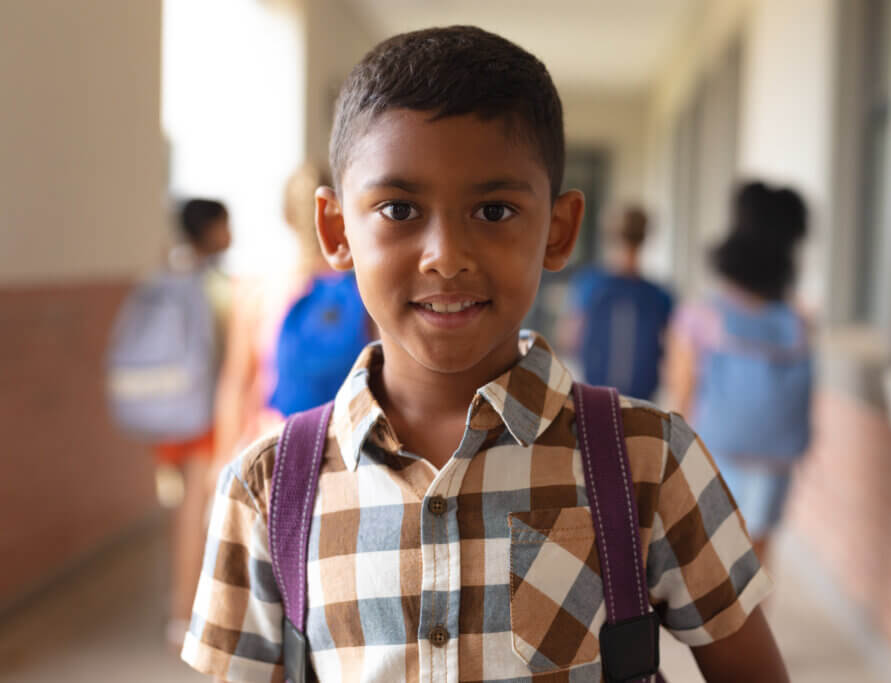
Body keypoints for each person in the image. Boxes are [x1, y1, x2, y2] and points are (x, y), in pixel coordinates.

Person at [182, 26, 787, 682]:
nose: (446, 254)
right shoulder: (268, 491)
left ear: (558, 232)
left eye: (494, 211)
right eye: (399, 208)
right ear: (337, 230)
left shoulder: (648, 462)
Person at [666, 181, 813, 564]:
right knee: (758, 553)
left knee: (711, 555)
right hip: (775, 457)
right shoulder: (798, 322)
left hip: (716, 449)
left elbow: (682, 391)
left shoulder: (701, 315)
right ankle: (757, 621)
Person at [211, 163, 372, 473]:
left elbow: (235, 384)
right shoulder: (364, 289)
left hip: (279, 448)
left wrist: (221, 462)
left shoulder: (262, 295)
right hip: (353, 449)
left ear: (286, 217)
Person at [157, 199, 232, 649]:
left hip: (171, 408)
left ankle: (180, 608)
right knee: (195, 512)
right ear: (210, 229)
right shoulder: (212, 284)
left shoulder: (167, 274)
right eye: (226, 225)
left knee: (182, 507)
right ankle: (186, 613)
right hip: (203, 411)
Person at [560, 205, 674, 400]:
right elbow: (670, 355)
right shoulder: (659, 295)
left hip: (594, 397)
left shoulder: (589, 285)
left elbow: (569, 339)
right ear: (646, 237)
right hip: (641, 401)